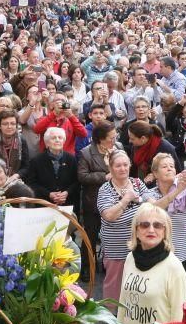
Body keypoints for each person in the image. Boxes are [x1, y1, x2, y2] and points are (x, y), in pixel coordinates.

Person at [111, 203, 186, 324]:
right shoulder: (130, 259)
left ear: (165, 232)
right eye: (145, 225)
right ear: (136, 231)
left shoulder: (174, 267)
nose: (151, 229)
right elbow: (123, 304)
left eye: (158, 225)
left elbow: (177, 319)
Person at [97, 149, 153, 303]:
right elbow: (109, 216)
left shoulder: (137, 183)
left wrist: (139, 200)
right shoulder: (105, 189)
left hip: (139, 244)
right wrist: (127, 199)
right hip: (116, 245)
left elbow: (152, 203)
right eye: (118, 166)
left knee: (136, 280)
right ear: (110, 168)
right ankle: (111, 314)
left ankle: (130, 312)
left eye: (125, 165)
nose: (122, 168)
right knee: (114, 282)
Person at [147, 152, 186, 301]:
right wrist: (177, 190)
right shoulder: (150, 193)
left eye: (172, 166)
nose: (170, 169)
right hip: (157, 252)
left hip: (181, 252)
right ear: (155, 173)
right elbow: (155, 209)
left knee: (179, 295)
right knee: (160, 294)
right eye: (164, 166)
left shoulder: (185, 191)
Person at [76, 120, 119, 272]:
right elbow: (82, 177)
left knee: (112, 236)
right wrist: (105, 176)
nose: (114, 140)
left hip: (115, 201)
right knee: (90, 237)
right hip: (93, 201)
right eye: (111, 137)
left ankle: (109, 265)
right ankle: (87, 268)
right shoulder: (86, 152)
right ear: (101, 138)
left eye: (115, 136)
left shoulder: (118, 148)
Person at [22, 127, 79, 208]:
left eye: (60, 138)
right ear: (47, 143)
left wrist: (67, 193)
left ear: (64, 141)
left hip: (67, 204)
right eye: (53, 138)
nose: (57, 140)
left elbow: (76, 181)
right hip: (44, 204)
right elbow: (31, 183)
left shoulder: (71, 159)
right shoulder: (36, 161)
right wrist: (48, 194)